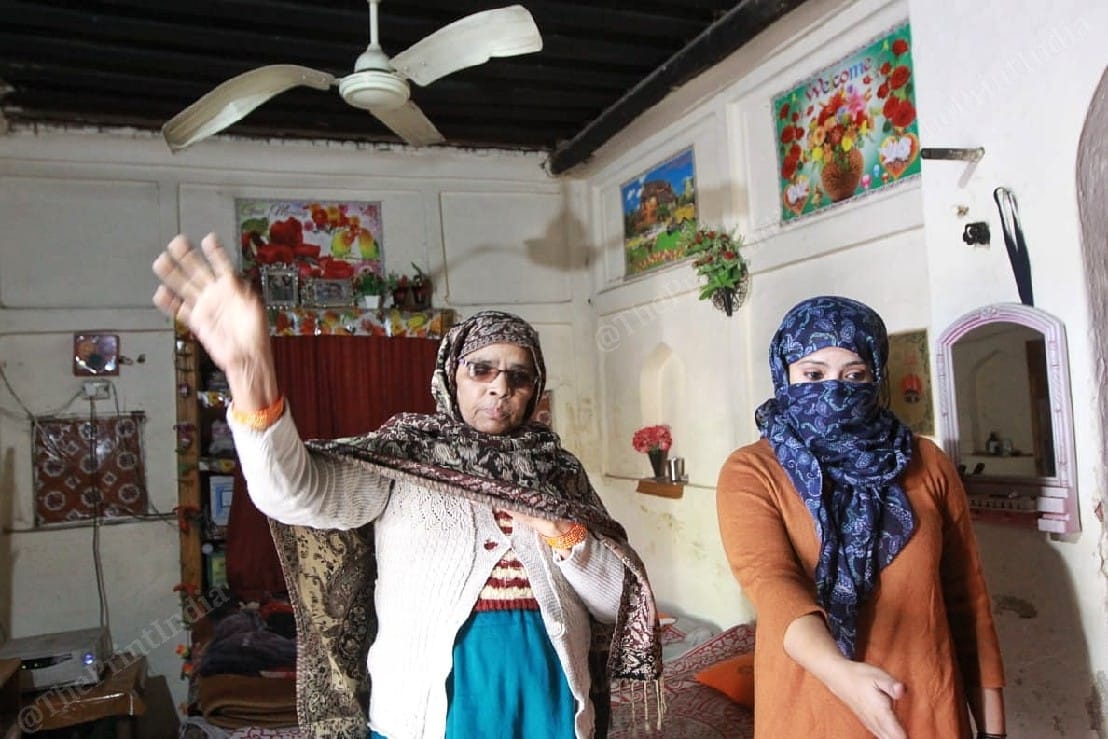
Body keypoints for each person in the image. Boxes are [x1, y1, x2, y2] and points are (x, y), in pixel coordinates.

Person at [152, 233, 662, 739]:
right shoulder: (405, 457)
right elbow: (291, 493)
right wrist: (251, 375)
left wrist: (562, 533)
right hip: (428, 713)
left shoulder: (557, 471)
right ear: (451, 376)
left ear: (534, 389)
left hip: (550, 702)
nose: (499, 387)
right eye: (481, 369)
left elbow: (618, 606)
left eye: (519, 376)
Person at [716, 295, 1006, 739]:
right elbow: (772, 585)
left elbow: (968, 601)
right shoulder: (754, 471)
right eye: (813, 374)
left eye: (854, 375)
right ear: (784, 374)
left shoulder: (925, 462)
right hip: (812, 713)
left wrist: (993, 731)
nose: (835, 390)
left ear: (876, 377)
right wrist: (840, 672)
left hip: (926, 710)